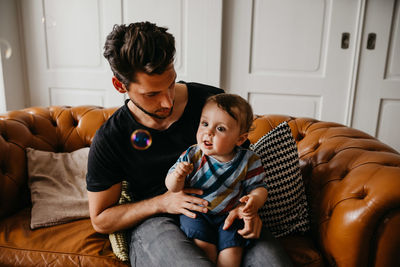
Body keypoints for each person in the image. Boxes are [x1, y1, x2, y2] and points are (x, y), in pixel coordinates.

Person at [86, 21, 292, 266]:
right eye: (152, 94)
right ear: (120, 86)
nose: (167, 102)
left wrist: (251, 210)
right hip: (157, 222)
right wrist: (163, 202)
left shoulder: (212, 102)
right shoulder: (111, 137)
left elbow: (243, 169)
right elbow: (100, 219)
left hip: (226, 213)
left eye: (171, 83)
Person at [165, 94, 268, 267]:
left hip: (230, 215)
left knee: (232, 253)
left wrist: (254, 201)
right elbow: (172, 187)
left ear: (240, 139)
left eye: (220, 129)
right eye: (204, 124)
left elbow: (259, 187)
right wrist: (178, 177)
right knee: (206, 251)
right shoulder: (192, 154)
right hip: (197, 213)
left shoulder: (248, 160)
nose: (208, 132)